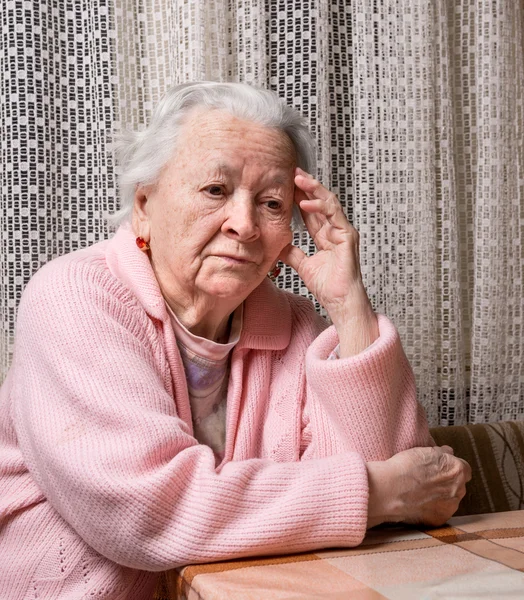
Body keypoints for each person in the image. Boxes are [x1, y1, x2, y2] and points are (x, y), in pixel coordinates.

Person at [0, 82, 471, 599]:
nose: (244, 225)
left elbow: (410, 490)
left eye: (272, 203)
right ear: (143, 205)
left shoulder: (292, 323)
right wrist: (377, 494)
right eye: (215, 191)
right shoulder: (76, 297)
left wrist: (350, 308)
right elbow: (149, 511)